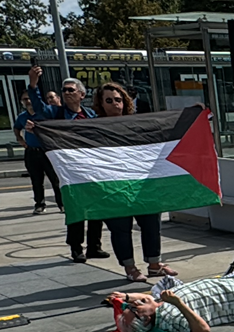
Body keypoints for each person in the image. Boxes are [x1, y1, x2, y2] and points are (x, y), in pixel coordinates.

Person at [25, 65, 108, 265]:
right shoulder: (56, 113)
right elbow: (38, 107)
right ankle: (76, 247)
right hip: (70, 171)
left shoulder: (90, 115)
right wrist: (33, 84)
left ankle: (94, 246)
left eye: (71, 90)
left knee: (97, 208)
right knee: (76, 209)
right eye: (64, 90)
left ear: (81, 94)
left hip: (91, 168)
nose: (67, 93)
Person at [92, 81, 175, 282]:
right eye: (109, 101)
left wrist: (193, 116)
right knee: (120, 228)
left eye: (118, 100)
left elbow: (166, 132)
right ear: (101, 104)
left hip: (141, 185)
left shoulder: (137, 124)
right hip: (112, 186)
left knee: (151, 223)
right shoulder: (92, 128)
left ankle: (154, 265)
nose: (115, 104)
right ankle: (130, 268)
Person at [14, 94, 62, 217]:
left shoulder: (45, 113)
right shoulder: (22, 117)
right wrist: (20, 140)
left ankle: (62, 204)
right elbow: (17, 128)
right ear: (21, 102)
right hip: (32, 151)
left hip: (47, 150)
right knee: (36, 180)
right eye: (25, 99)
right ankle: (40, 205)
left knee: (55, 179)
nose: (28, 101)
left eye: (30, 98)